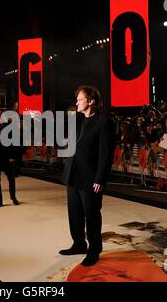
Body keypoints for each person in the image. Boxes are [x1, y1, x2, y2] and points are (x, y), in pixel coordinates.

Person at [60, 85, 115, 266]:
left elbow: (106, 153)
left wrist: (100, 178)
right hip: (72, 174)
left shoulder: (104, 122)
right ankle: (78, 244)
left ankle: (94, 250)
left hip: (90, 177)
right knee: (74, 213)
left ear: (91, 101)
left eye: (80, 99)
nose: (76, 102)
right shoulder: (76, 118)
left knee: (91, 215)